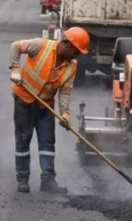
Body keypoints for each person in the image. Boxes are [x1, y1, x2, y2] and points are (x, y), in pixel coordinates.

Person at [8, 27, 91, 194]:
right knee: (23, 140)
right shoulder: (41, 45)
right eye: (77, 51)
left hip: (45, 105)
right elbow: (15, 46)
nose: (78, 55)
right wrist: (15, 69)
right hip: (24, 100)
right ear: (67, 44)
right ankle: (22, 179)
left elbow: (65, 90)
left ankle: (48, 180)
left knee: (47, 142)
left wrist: (65, 113)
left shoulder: (72, 65)